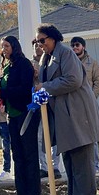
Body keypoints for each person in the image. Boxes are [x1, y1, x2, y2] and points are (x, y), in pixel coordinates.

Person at [35, 24, 99, 195]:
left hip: (77, 113)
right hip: (63, 116)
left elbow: (73, 80)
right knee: (70, 162)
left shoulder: (66, 53)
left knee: (83, 162)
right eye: (38, 41)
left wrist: (45, 87)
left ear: (54, 38)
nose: (41, 44)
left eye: (43, 40)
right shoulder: (45, 58)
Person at [0, 35, 41, 195]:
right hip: (11, 117)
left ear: (14, 46)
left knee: (29, 158)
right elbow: (7, 89)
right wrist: (0, 96)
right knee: (18, 159)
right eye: (2, 46)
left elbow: (23, 89)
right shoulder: (6, 66)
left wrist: (3, 92)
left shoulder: (24, 64)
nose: (4, 49)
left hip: (25, 114)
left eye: (7, 45)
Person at [70, 36, 99, 176]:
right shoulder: (69, 62)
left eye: (77, 45)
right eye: (72, 45)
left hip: (88, 105)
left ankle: (94, 165)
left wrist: (91, 97)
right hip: (74, 105)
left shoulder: (93, 63)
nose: (75, 47)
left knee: (92, 136)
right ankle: (81, 167)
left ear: (83, 46)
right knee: (76, 136)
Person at [32, 39, 61, 181]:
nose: (38, 47)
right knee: (39, 138)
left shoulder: (51, 61)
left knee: (55, 136)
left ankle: (55, 166)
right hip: (37, 106)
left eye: (40, 45)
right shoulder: (30, 64)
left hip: (53, 104)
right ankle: (43, 167)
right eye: (35, 46)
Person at [0, 51, 12, 182]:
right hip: (2, 117)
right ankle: (7, 169)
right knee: (6, 144)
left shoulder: (14, 73)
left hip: (14, 114)